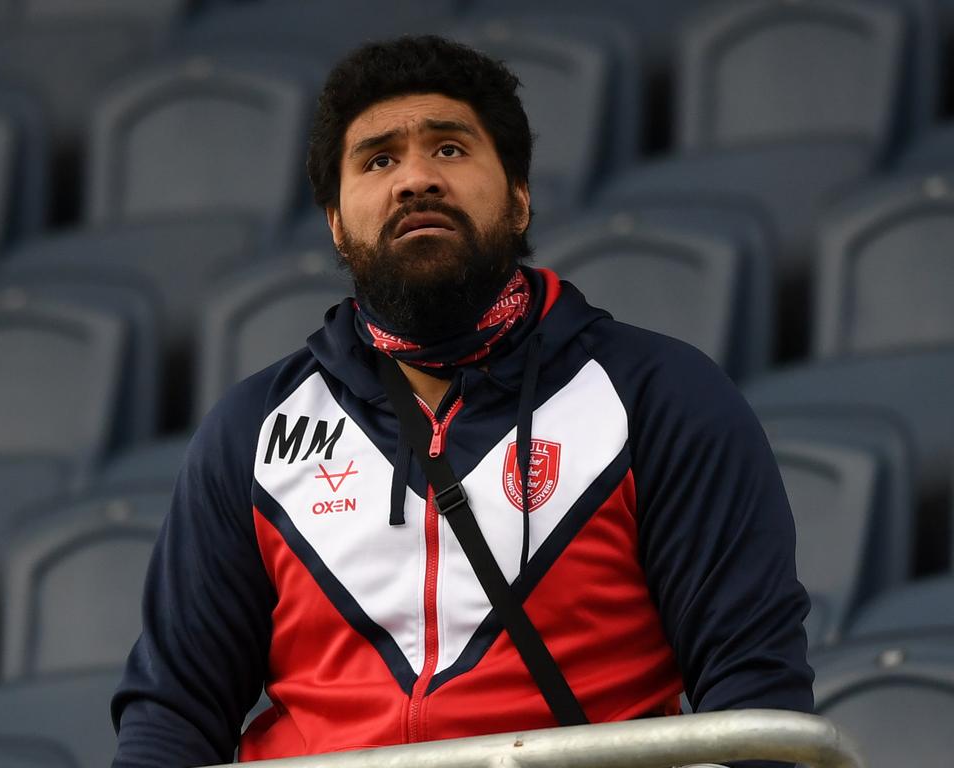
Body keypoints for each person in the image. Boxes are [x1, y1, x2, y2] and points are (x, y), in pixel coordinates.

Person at [111, 35, 813, 767]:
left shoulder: (659, 396)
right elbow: (173, 712)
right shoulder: (252, 433)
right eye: (378, 159)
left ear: (518, 197)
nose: (415, 179)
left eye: (449, 149)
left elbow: (755, 697)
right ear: (336, 226)